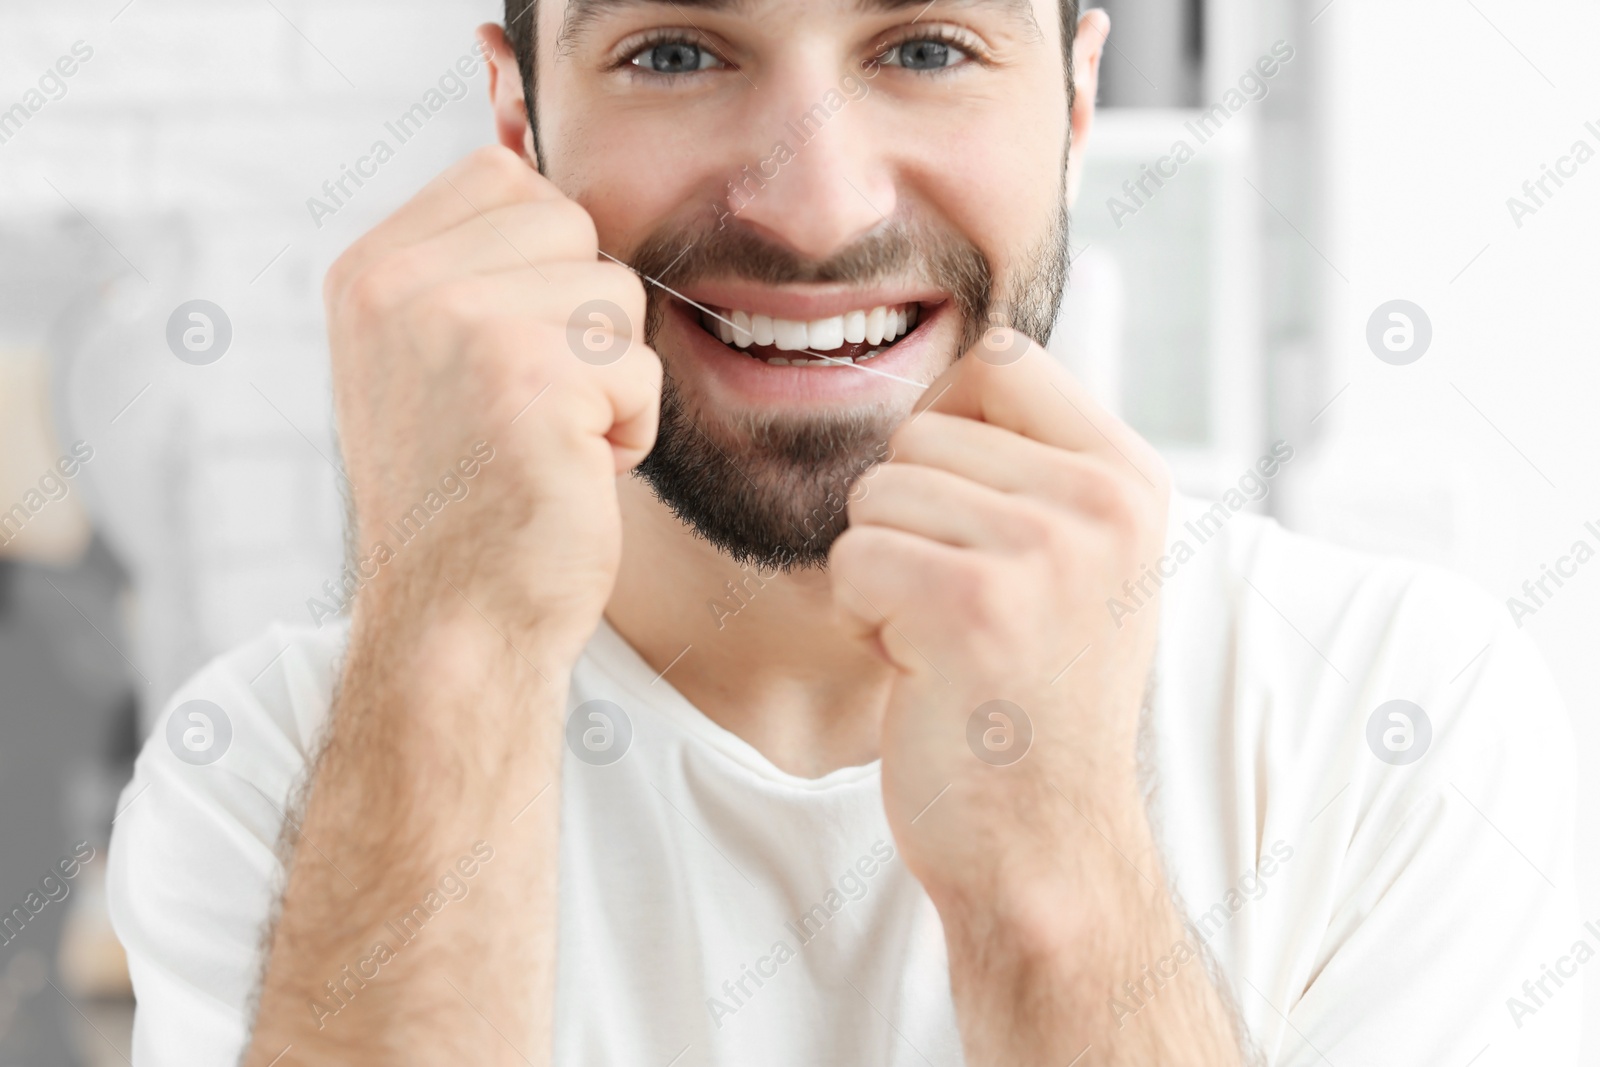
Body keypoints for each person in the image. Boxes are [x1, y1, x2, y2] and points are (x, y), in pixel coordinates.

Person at [107, 2, 1580, 1064]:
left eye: (926, 49)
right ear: (518, 126)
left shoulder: (1398, 713)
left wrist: (1052, 877)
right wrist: (452, 650)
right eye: (677, 52)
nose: (815, 208)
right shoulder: (275, 774)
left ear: (1073, 100)